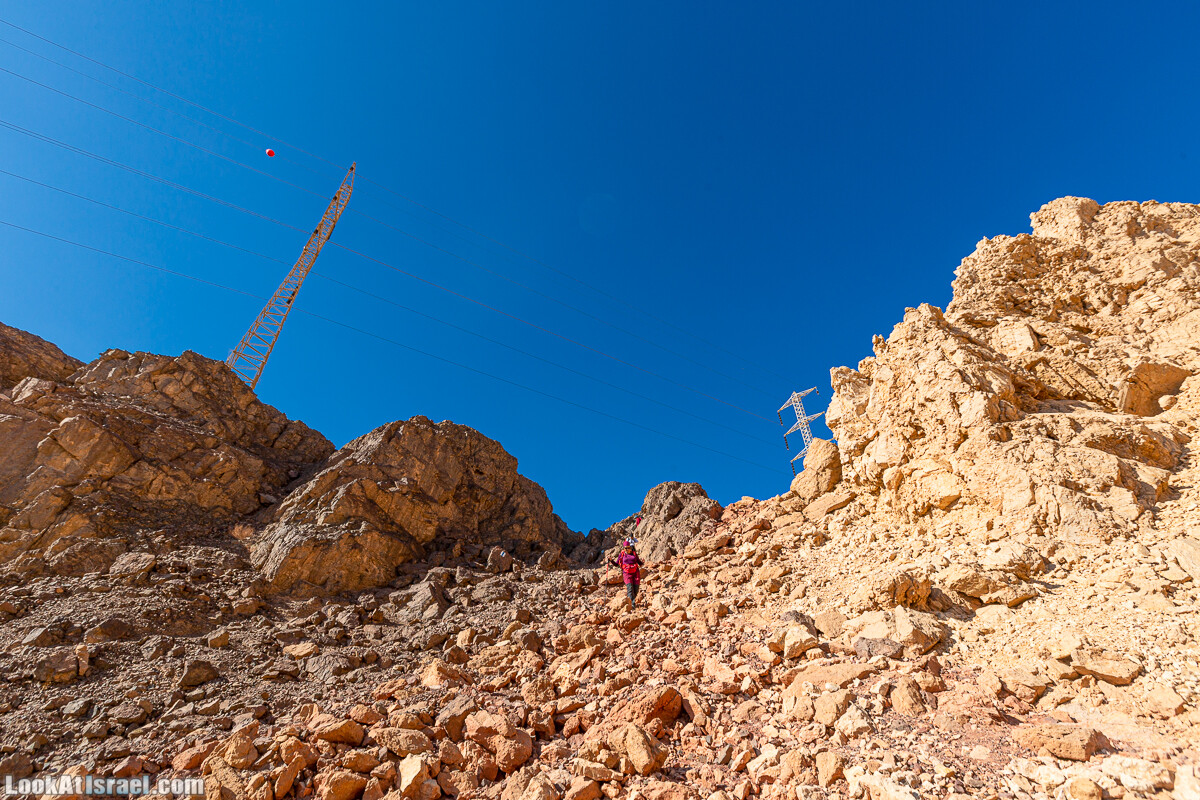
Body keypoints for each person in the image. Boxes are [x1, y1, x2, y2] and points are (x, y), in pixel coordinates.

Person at [609, 538, 644, 608]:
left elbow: (639, 562)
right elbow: (616, 564)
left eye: (628, 548)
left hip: (635, 572)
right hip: (626, 573)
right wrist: (611, 560)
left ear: (630, 547)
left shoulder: (634, 554)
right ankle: (632, 605)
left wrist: (643, 562)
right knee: (630, 588)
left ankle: (631, 602)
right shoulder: (622, 554)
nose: (626, 549)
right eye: (625, 548)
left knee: (636, 589)